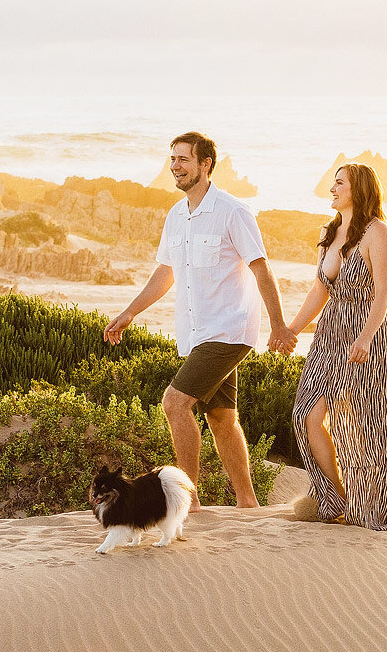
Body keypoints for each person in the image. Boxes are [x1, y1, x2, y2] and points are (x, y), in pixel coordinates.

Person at [105, 132, 295, 511]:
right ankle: (248, 503)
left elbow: (261, 268)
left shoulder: (233, 211)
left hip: (229, 329)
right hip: (197, 333)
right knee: (222, 417)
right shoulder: (176, 215)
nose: (175, 166)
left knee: (175, 404)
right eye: (172, 159)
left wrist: (279, 326)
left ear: (205, 164)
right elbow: (166, 272)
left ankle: (186, 503)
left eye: (183, 159)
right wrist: (129, 312)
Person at [286, 163, 387, 530]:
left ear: (357, 188)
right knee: (305, 415)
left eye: (339, 183)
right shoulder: (330, 231)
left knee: (369, 426)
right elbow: (319, 290)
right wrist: (290, 329)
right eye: (333, 182)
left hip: (372, 337)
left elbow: (384, 293)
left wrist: (366, 337)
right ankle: (335, 497)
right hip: (331, 335)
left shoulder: (378, 232)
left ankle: (373, 507)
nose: (332, 188)